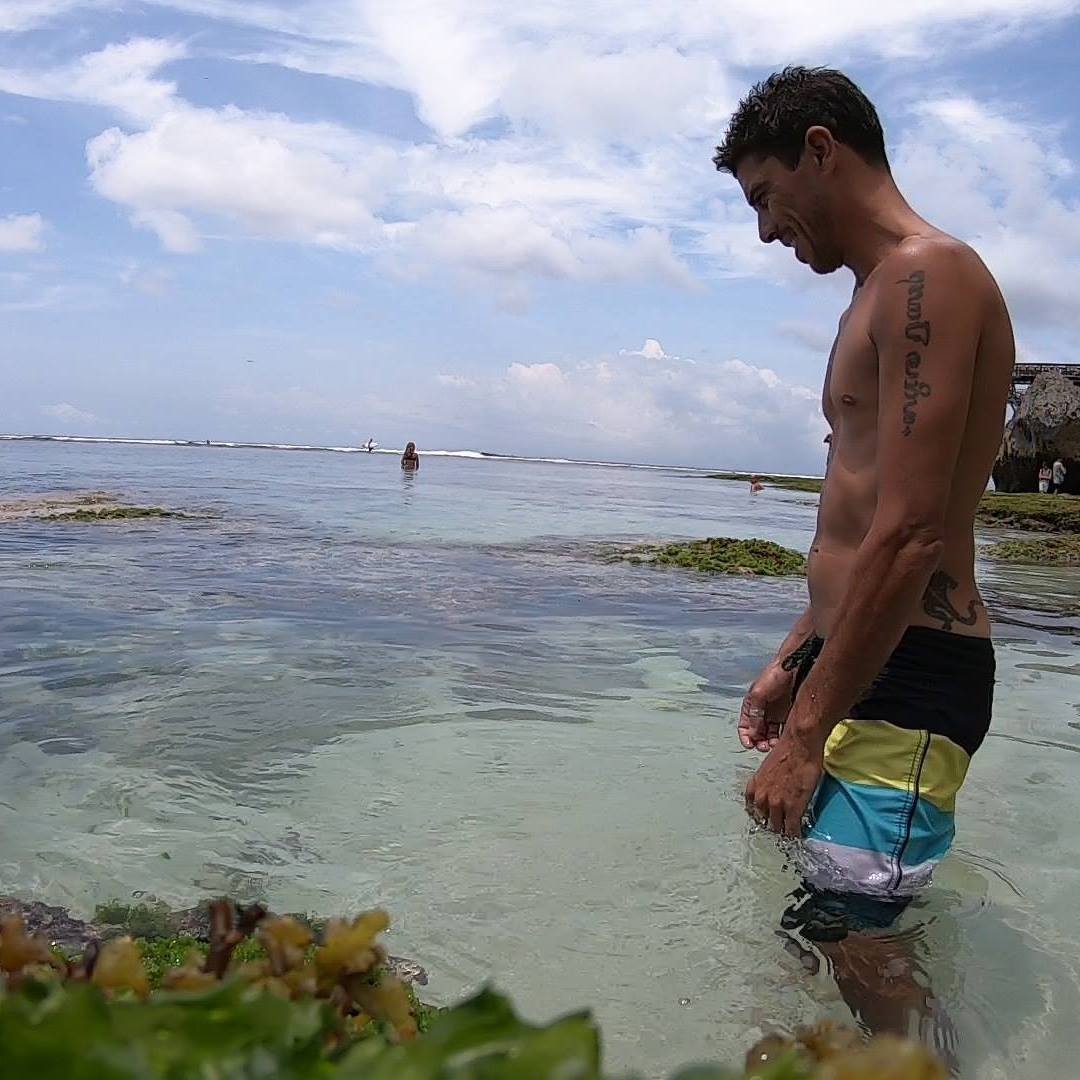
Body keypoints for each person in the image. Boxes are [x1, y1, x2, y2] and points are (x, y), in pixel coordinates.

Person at [714, 66, 1013, 1056]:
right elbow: (854, 527)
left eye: (766, 198)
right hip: (863, 662)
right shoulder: (872, 298)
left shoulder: (932, 278)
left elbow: (915, 529)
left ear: (820, 149)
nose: (767, 231)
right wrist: (795, 660)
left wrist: (806, 737)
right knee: (826, 928)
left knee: (857, 943)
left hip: (915, 672)